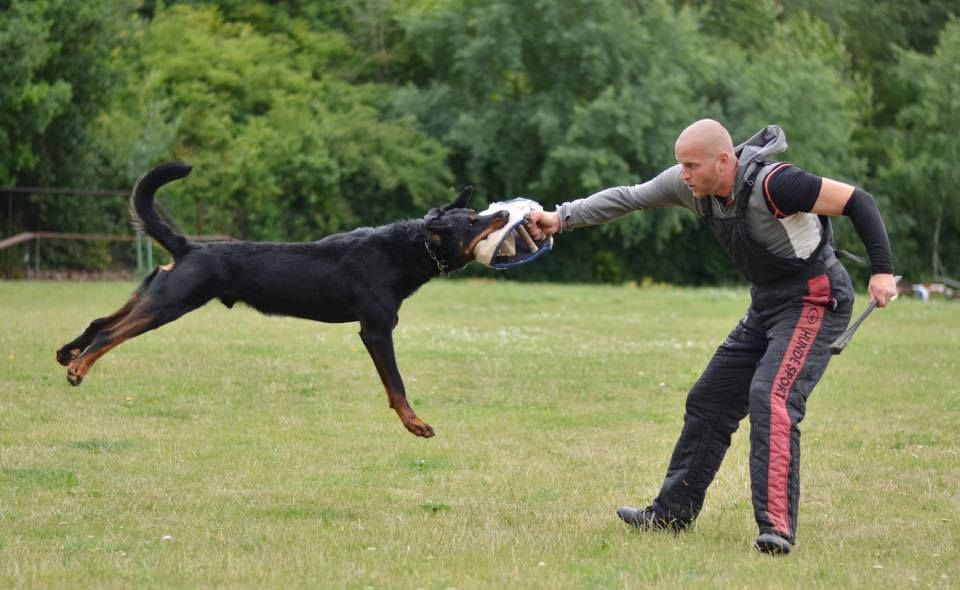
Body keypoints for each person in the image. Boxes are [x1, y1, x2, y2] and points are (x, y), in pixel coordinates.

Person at [525, 119, 897, 555]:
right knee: (709, 400)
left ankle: (776, 529)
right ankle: (671, 514)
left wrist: (882, 271)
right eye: (680, 165)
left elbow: (858, 200)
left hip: (815, 298)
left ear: (723, 161)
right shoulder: (690, 185)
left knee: (772, 397)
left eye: (691, 165)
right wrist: (560, 218)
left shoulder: (778, 184)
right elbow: (629, 197)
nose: (682, 174)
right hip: (767, 304)